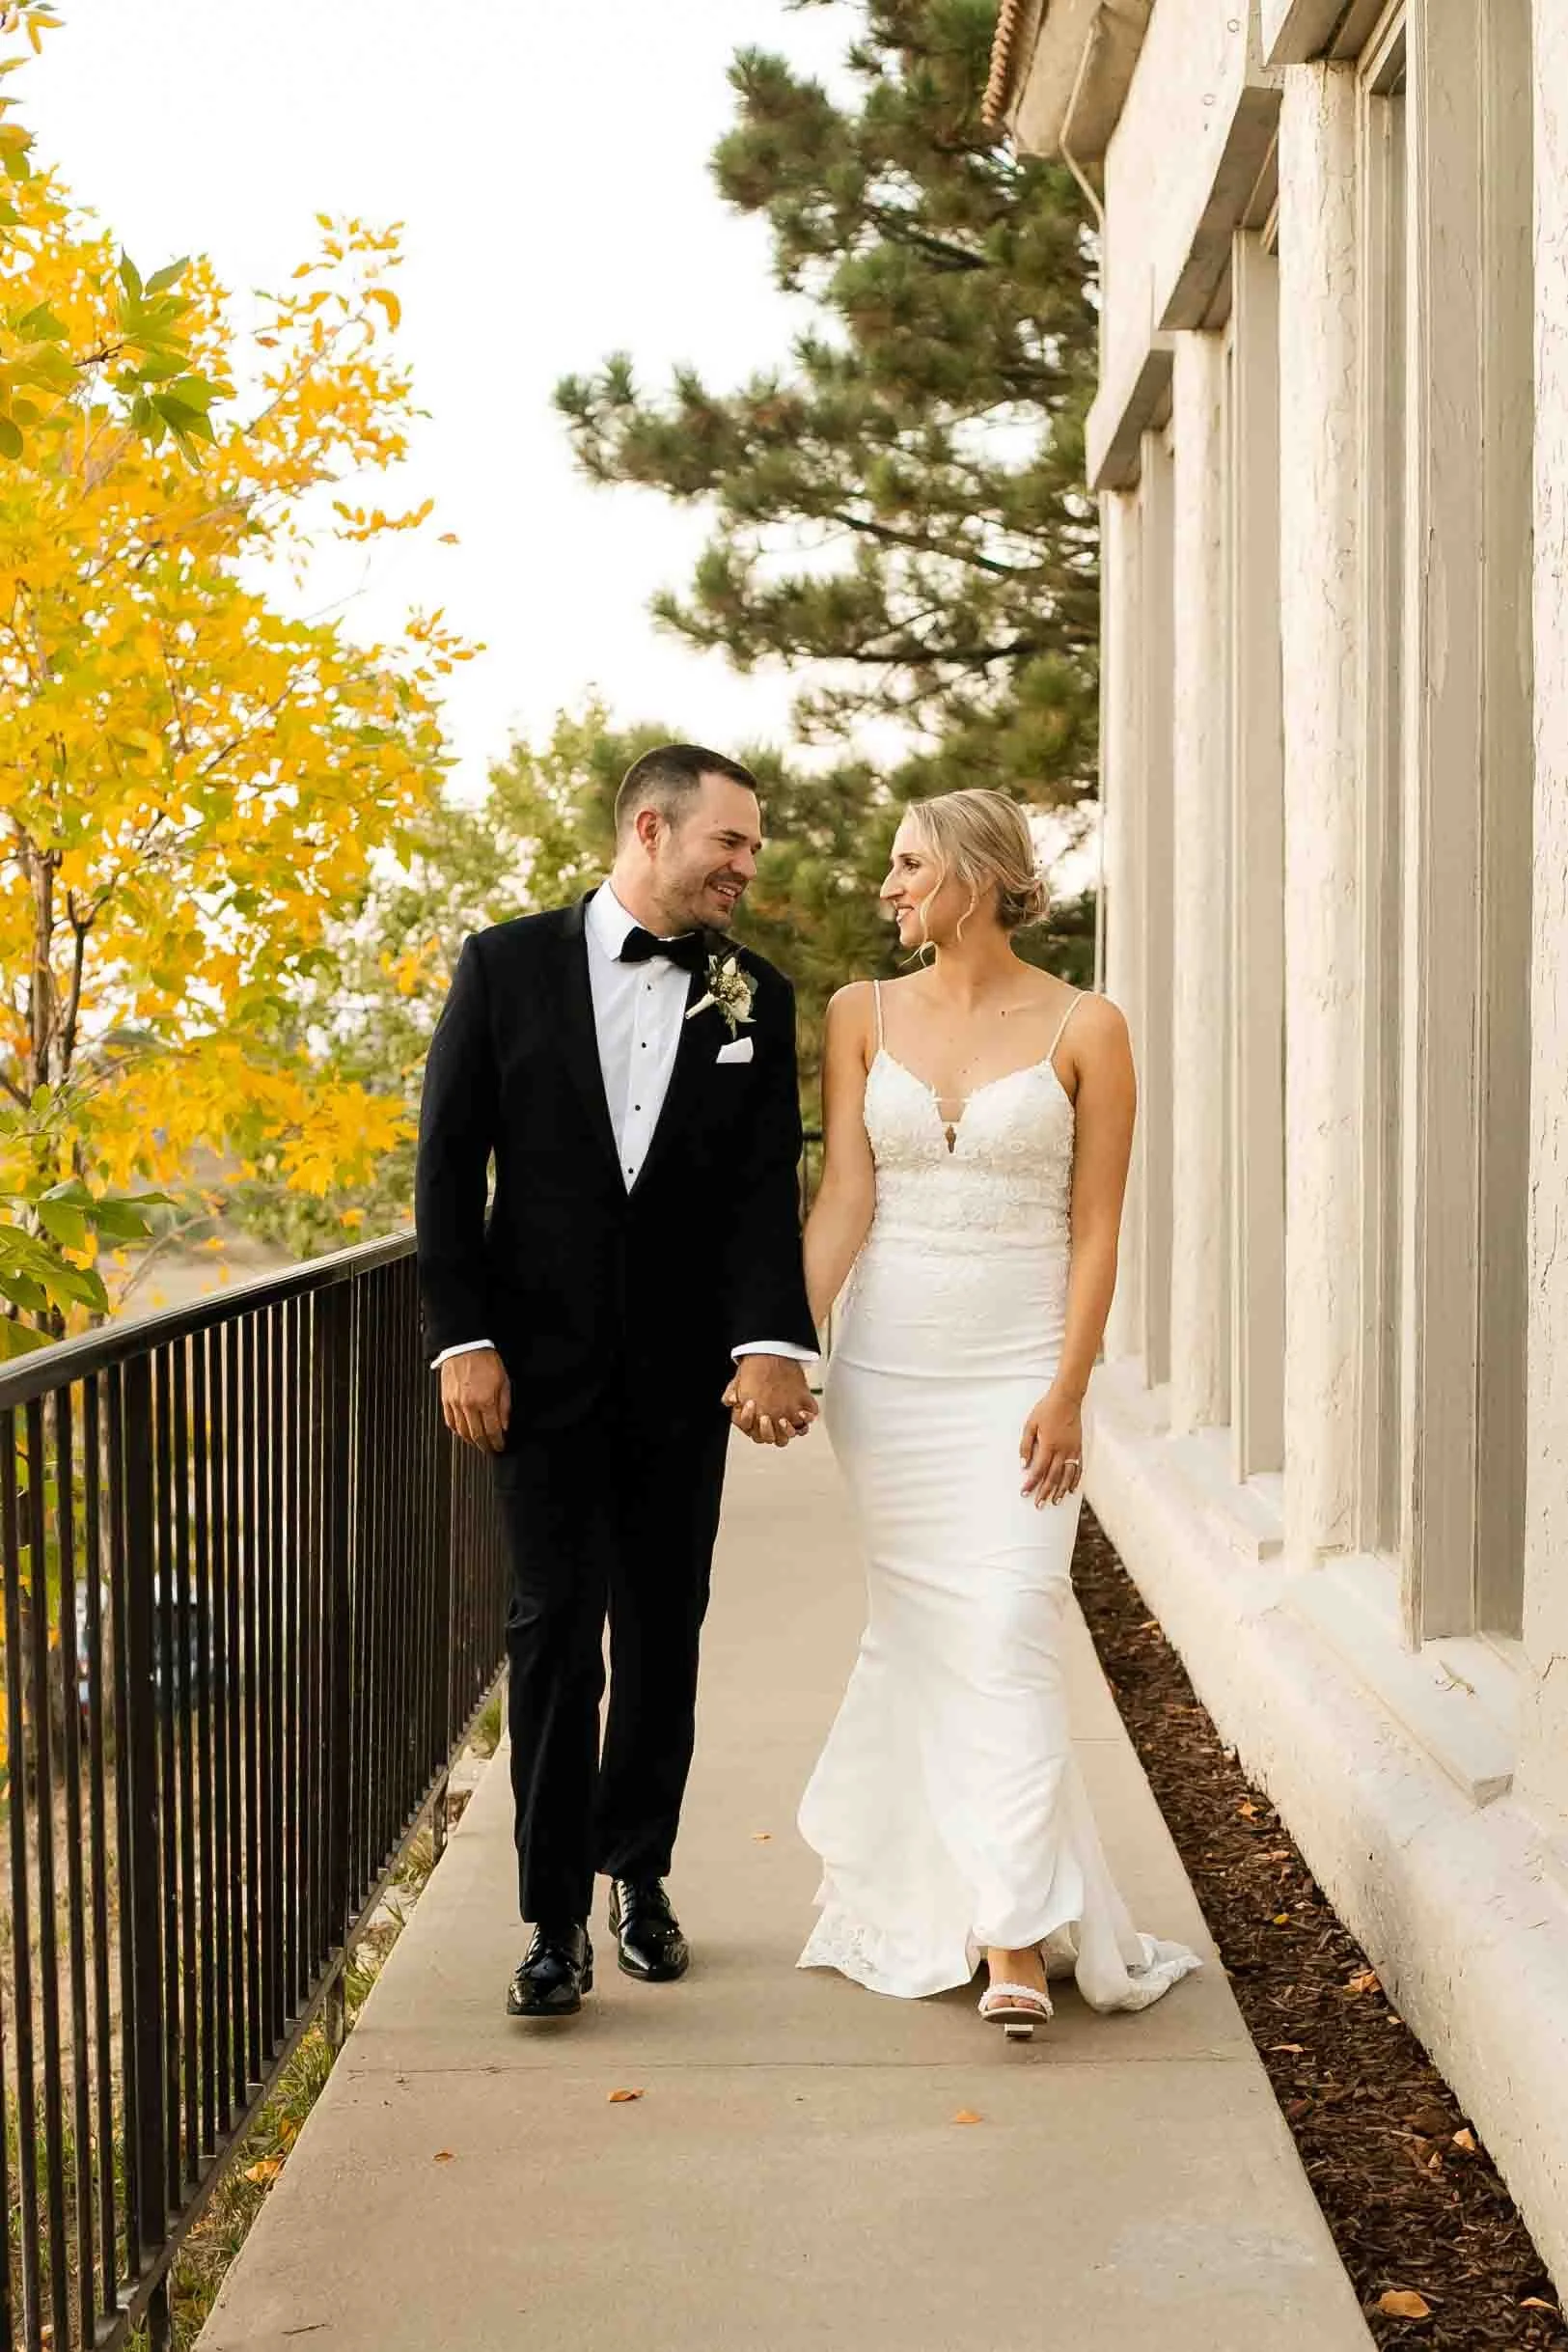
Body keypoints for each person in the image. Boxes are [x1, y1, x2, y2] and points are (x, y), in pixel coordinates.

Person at [415, 744, 818, 2021]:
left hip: (683, 1379)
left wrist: (772, 1341)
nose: (747, 869)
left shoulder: (757, 995)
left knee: (662, 1629)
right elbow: (445, 1169)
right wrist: (460, 1339)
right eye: (732, 845)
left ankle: (638, 1873)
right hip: (535, 1373)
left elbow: (763, 1196)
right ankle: (549, 1923)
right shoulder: (505, 966)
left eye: (752, 848)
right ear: (654, 829)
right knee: (550, 1631)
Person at [789, 788, 1198, 2033]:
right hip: (890, 1370)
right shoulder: (858, 1014)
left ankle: (1014, 1933)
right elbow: (849, 1197)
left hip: (1023, 1360)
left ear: (975, 874)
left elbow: (1097, 1227)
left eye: (909, 863)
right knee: (931, 1637)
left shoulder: (1091, 1024)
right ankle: (963, 1901)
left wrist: (1070, 1391)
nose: (890, 885)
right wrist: (780, 1350)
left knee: (1014, 1623)